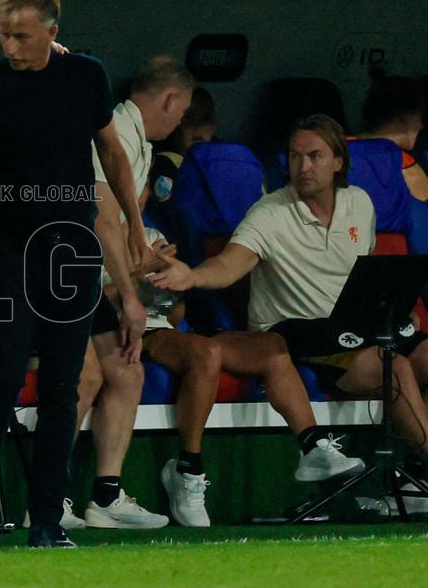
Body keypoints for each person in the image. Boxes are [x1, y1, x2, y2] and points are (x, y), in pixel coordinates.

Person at [0, 0, 148, 550]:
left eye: (22, 35)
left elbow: (112, 153)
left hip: (72, 251)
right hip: (7, 252)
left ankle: (46, 519)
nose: (10, 47)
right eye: (3, 35)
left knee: (62, 388)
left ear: (52, 32)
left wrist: (134, 224)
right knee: (3, 378)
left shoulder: (87, 76)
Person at [151, 114, 428, 507]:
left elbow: (364, 277)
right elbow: (230, 265)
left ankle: (414, 475)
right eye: (295, 157)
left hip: (352, 327)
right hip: (293, 331)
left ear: (338, 162)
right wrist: (192, 276)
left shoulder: (360, 204)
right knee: (395, 367)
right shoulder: (269, 213)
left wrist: (395, 313)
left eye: (314, 156)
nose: (303, 167)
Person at [97, 190, 363, 528]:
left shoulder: (152, 237)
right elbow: (88, 306)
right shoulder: (94, 236)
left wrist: (171, 286)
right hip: (121, 333)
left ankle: (311, 446)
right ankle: (188, 469)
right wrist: (137, 276)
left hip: (166, 328)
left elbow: (175, 314)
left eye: (141, 186)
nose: (136, 195)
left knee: (271, 346)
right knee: (205, 353)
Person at [76, 55, 193, 531]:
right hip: (62, 274)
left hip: (95, 278)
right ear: (169, 99)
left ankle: (105, 497)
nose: (181, 120)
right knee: (82, 378)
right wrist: (129, 293)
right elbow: (103, 219)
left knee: (126, 371)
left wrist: (145, 253)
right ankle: (42, 500)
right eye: (181, 111)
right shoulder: (114, 133)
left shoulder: (139, 143)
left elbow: (122, 233)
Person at [146, 86, 216, 239]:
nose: (198, 127)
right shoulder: (166, 163)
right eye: (189, 119)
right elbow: (175, 217)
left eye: (204, 120)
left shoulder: (228, 160)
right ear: (176, 124)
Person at [357, 68, 428, 200]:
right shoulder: (406, 169)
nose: (421, 125)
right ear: (401, 118)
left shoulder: (333, 152)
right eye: (419, 117)